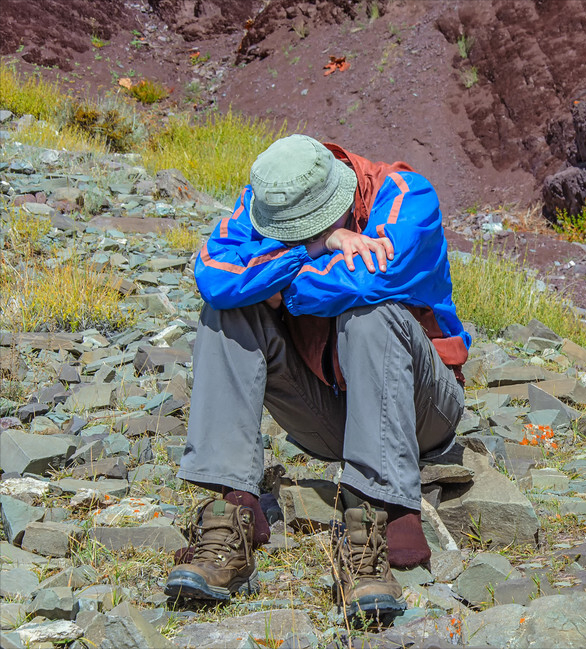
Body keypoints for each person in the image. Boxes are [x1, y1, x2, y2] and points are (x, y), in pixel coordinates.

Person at [163, 134, 471, 623]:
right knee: (225, 314)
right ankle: (234, 513)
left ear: (345, 194)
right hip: (330, 417)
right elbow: (213, 276)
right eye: (289, 231)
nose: (296, 236)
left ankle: (377, 510)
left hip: (421, 412)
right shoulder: (265, 200)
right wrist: (318, 245)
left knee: (371, 313)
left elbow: (371, 278)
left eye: (313, 226)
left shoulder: (408, 196)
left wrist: (272, 282)